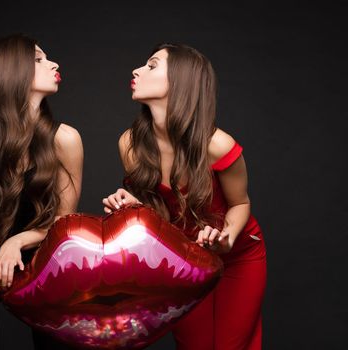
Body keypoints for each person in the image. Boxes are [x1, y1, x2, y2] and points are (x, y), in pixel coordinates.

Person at [102, 43, 267, 349]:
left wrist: (226, 237)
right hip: (186, 258)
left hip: (238, 257)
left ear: (180, 80)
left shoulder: (217, 144)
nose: (136, 70)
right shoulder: (130, 144)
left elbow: (241, 203)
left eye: (152, 65)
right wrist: (136, 208)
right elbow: (164, 218)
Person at [0, 33, 83, 349]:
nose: (54, 64)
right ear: (11, 71)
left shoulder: (66, 139)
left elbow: (65, 221)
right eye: (39, 58)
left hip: (44, 257)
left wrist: (18, 240)